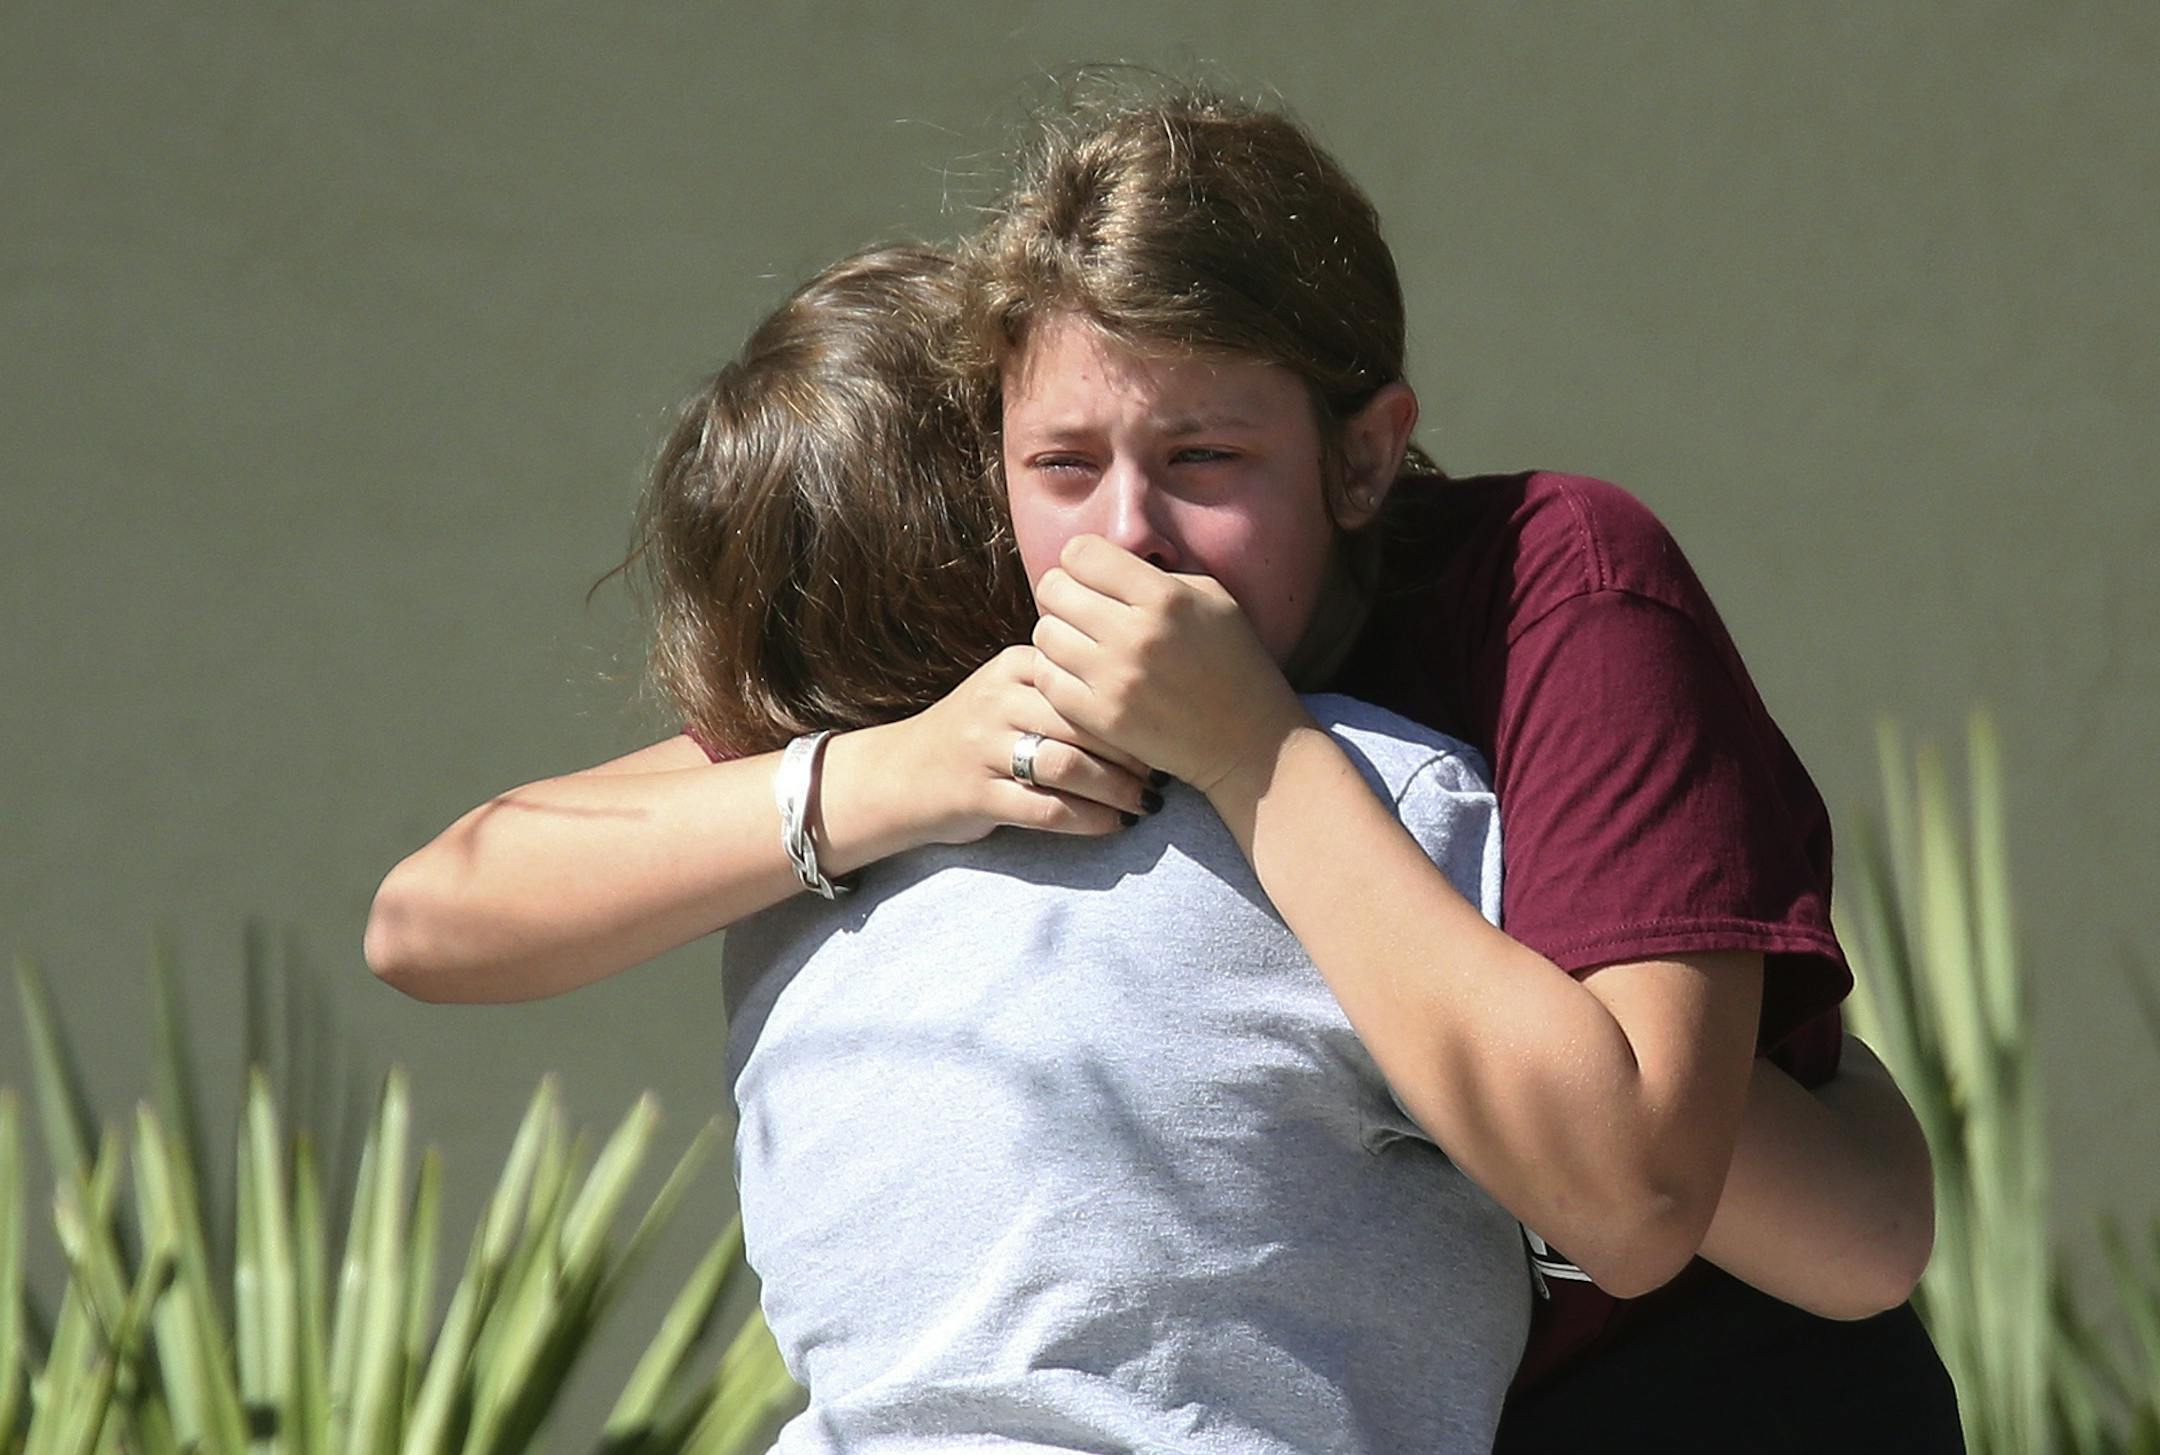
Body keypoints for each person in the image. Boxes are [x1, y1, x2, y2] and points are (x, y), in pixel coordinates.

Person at [365, 85, 1960, 1451]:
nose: (1125, 533)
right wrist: (894, 775)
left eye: (1205, 459)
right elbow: (438, 917)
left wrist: (1253, 753)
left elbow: (1662, 1205)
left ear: (1366, 452)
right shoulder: (1014, 623)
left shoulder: (1558, 587)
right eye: (1062, 463)